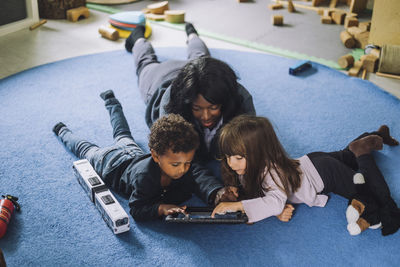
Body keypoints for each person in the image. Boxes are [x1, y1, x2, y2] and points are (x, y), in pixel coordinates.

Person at [52, 90, 238, 221]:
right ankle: (63, 131)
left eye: (187, 163)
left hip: (133, 153)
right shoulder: (145, 179)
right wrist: (159, 208)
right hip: (110, 162)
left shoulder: (180, 164)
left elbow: (194, 179)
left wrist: (217, 193)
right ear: (156, 156)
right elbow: (136, 209)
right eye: (176, 165)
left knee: (123, 133)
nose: (183, 170)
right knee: (85, 148)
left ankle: (111, 102)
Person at [211, 115, 400, 236]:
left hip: (325, 174)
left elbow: (274, 201)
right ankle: (377, 135)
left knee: (365, 189)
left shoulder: (271, 172)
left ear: (260, 154)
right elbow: (268, 198)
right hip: (311, 161)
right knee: (347, 155)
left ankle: (364, 151)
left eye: (238, 158)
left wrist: (239, 205)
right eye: (228, 156)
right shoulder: (248, 167)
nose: (231, 163)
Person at [125, 22, 256, 163]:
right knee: (145, 63)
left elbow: (252, 147)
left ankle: (192, 34)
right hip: (161, 76)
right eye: (197, 108)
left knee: (200, 56)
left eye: (213, 107)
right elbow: (180, 161)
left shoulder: (241, 99)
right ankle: (138, 38)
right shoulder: (170, 111)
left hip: (196, 69)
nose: (206, 116)